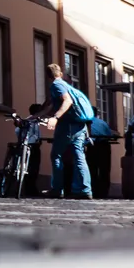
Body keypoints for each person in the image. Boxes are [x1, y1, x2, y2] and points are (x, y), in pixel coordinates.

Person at [44, 63, 94, 199]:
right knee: (79, 156)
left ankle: (57, 189)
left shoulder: (57, 85)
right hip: (80, 125)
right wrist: (35, 116)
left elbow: (67, 101)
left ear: (48, 76)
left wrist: (55, 118)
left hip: (67, 125)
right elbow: (49, 106)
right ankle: (84, 189)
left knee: (56, 155)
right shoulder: (67, 85)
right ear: (61, 73)